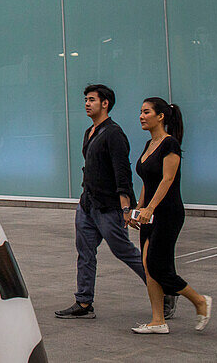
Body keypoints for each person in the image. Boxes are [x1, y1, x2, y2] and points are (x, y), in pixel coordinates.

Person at [56, 84, 176, 320]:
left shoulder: (114, 133)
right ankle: (83, 302)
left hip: (108, 207)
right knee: (85, 252)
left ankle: (165, 290)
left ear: (105, 103)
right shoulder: (89, 132)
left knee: (125, 252)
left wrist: (125, 207)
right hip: (87, 204)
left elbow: (122, 172)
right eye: (86, 100)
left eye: (92, 99)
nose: (87, 104)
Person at [129, 97, 213, 334]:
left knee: (158, 266)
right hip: (150, 214)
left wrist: (150, 209)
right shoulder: (149, 144)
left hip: (168, 213)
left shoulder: (170, 144)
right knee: (148, 266)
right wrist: (139, 209)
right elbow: (148, 181)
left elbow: (167, 180)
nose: (141, 116)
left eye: (146, 112)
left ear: (161, 116)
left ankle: (199, 301)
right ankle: (158, 320)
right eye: (140, 112)